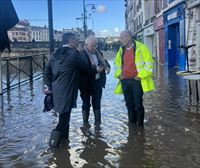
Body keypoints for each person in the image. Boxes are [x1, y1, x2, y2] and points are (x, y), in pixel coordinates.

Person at [43, 32, 97, 148]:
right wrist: (96, 68)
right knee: (64, 118)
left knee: (64, 116)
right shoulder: (73, 53)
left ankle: (64, 143)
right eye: (76, 40)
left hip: (57, 90)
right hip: (68, 89)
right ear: (71, 41)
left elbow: (46, 72)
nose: (78, 42)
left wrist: (51, 88)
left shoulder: (54, 53)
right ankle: (53, 146)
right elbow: (86, 69)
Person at [114, 30, 155, 126]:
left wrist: (140, 76)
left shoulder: (141, 47)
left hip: (136, 80)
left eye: (122, 38)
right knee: (128, 104)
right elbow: (117, 63)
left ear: (129, 37)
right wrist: (118, 74)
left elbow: (149, 63)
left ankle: (140, 126)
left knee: (138, 104)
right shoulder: (121, 49)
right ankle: (132, 125)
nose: (120, 40)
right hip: (124, 80)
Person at [79, 36, 110, 125]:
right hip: (85, 84)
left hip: (97, 82)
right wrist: (95, 70)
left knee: (97, 104)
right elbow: (81, 69)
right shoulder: (80, 54)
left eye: (95, 45)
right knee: (86, 104)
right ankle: (85, 124)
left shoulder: (98, 52)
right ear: (86, 45)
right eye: (92, 46)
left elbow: (104, 61)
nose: (94, 48)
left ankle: (98, 124)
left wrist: (107, 67)